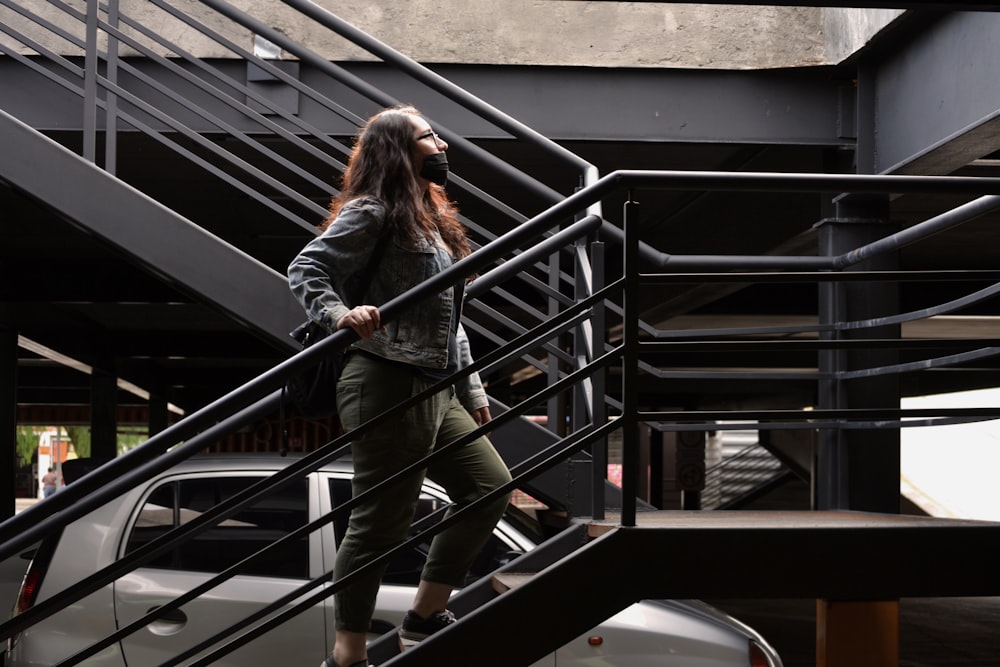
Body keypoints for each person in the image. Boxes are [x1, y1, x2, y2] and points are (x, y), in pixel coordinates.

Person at [287, 105, 513, 667]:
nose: (440, 145)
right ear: (396, 149)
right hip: (385, 377)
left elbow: (449, 317)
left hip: (438, 384)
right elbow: (306, 269)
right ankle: (347, 654)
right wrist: (340, 313)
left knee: (489, 486)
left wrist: (474, 391)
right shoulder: (374, 210)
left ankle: (423, 615)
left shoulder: (432, 217)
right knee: (381, 521)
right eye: (426, 137)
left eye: (436, 135)